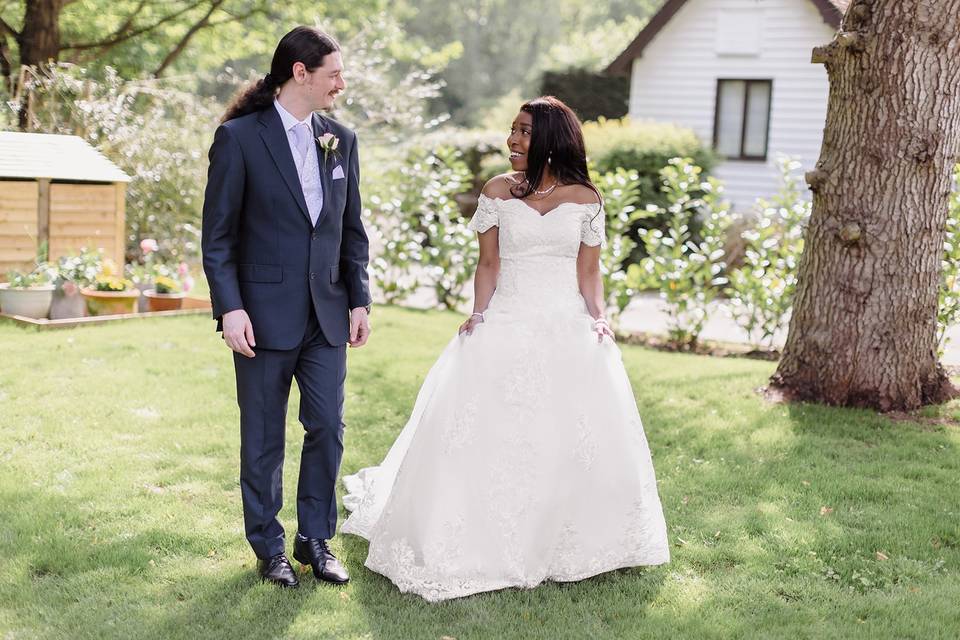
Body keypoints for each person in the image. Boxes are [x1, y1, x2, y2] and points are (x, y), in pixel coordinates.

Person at [341, 96, 669, 602]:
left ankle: (567, 538)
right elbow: (489, 264)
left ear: (551, 140)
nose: (512, 140)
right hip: (508, 318)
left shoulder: (586, 198)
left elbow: (588, 271)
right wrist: (479, 313)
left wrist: (598, 319)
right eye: (511, 130)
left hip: (564, 324)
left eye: (523, 132)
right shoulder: (496, 191)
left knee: (567, 432)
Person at [201, 26, 372, 589]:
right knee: (264, 437)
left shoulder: (341, 140)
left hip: (328, 314)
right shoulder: (239, 138)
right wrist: (230, 308)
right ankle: (269, 546)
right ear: (300, 73)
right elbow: (219, 237)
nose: (341, 84)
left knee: (327, 425)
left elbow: (352, 231)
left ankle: (315, 538)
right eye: (334, 74)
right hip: (261, 316)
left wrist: (359, 298)